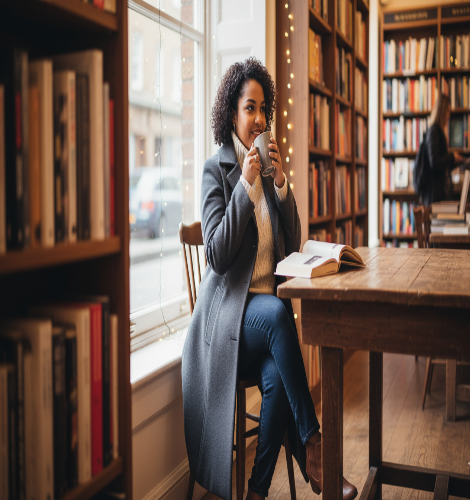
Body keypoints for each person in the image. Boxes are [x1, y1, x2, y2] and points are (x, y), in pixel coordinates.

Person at [182, 58, 358, 500]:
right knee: (281, 314)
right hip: (225, 324)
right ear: (231, 115)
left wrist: (280, 183)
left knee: (278, 380)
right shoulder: (216, 171)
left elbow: (294, 241)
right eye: (249, 108)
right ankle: (316, 450)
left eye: (264, 109)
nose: (259, 119)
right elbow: (219, 255)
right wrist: (245, 186)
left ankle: (257, 492)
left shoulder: (269, 166)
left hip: (263, 329)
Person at [421, 94, 463, 206]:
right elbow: (434, 162)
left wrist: (454, 161)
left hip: (437, 193)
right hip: (434, 194)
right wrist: (451, 157)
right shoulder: (434, 132)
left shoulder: (437, 131)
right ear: (442, 112)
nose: (449, 116)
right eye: (447, 111)